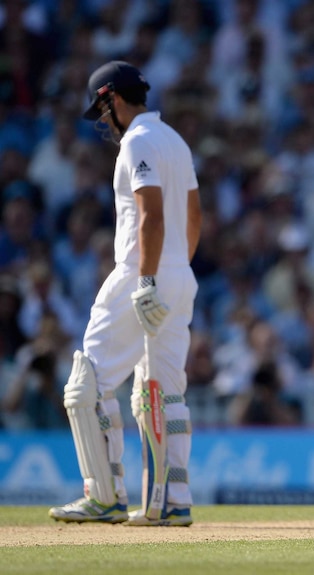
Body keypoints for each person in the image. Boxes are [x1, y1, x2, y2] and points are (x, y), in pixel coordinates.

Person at [48, 61, 201, 526]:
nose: (102, 123)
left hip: (141, 271)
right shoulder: (174, 140)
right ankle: (173, 501)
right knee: (164, 391)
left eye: (101, 110)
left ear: (112, 98)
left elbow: (150, 213)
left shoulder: (136, 141)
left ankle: (104, 496)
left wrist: (148, 279)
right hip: (179, 273)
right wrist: (174, 273)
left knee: (86, 382)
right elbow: (193, 217)